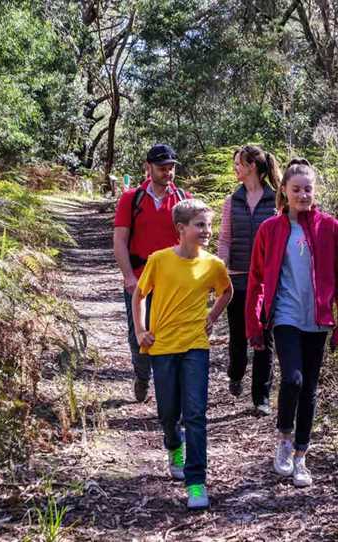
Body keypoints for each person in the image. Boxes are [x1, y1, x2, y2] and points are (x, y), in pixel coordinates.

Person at [245, 158, 338, 488]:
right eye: (296, 189)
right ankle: (284, 441)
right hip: (286, 316)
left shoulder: (331, 228)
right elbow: (257, 279)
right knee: (292, 379)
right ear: (284, 191)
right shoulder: (271, 229)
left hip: (317, 319)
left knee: (309, 389)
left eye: (308, 189)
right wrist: (254, 323)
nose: (303, 195)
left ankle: (302, 456)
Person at [132, 199, 232, 510]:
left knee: (196, 413)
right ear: (181, 229)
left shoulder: (213, 264)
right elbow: (138, 294)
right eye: (200, 225)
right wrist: (139, 331)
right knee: (168, 412)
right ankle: (173, 444)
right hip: (161, 347)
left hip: (195, 347)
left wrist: (212, 316)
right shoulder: (159, 261)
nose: (207, 231)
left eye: (208, 225)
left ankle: (196, 481)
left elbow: (226, 291)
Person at [113, 144, 189, 402]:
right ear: (148, 168)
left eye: (171, 168)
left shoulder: (183, 200)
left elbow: (192, 242)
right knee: (139, 334)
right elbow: (120, 240)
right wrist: (128, 276)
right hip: (140, 278)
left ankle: (168, 391)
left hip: (173, 281)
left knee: (170, 335)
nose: (167, 173)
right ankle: (142, 376)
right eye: (162, 168)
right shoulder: (131, 199)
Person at [217, 145, 280, 415]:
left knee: (265, 338)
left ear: (252, 165)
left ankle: (261, 398)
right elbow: (225, 239)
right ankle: (235, 372)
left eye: (239, 164)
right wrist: (220, 269)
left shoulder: (276, 200)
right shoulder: (232, 201)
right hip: (238, 279)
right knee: (239, 335)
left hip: (267, 282)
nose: (236, 169)